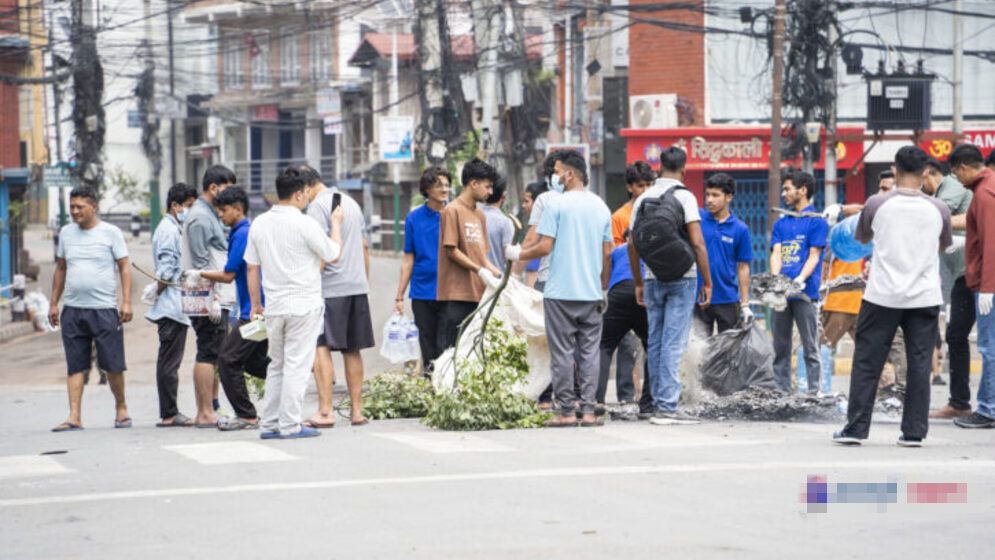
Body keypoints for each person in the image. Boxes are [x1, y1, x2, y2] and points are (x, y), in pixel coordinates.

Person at [833, 146, 952, 447]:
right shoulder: (939, 209)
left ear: (894, 170)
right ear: (926, 173)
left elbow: (861, 239)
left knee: (867, 362)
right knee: (920, 362)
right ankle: (913, 432)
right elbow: (943, 245)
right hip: (924, 296)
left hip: (882, 295)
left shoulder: (876, 203)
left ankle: (856, 429)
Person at [506, 150, 612, 427]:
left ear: (570, 174)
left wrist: (517, 254)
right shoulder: (601, 206)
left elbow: (544, 246)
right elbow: (608, 252)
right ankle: (588, 411)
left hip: (559, 292)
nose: (554, 176)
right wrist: (602, 287)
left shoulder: (557, 205)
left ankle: (565, 411)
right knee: (589, 352)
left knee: (562, 353)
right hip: (590, 293)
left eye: (557, 170)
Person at [245, 166, 343, 439]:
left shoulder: (260, 224)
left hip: (274, 306)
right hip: (304, 305)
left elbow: (251, 267)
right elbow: (333, 253)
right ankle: (289, 425)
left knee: (276, 365)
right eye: (307, 194)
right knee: (297, 366)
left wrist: (255, 304)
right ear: (299, 194)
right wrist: (336, 224)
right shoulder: (305, 223)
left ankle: (270, 424)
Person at [628, 147, 711, 425]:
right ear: (684, 169)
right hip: (682, 277)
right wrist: (706, 281)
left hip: (652, 277)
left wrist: (638, 281)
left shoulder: (643, 198)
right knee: (673, 342)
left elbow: (632, 244)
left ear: (659, 168)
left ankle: (653, 403)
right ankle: (666, 405)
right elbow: (697, 243)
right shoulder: (685, 196)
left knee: (656, 341)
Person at [49, 187, 133, 432]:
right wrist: (54, 302)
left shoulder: (111, 233)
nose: (74, 211)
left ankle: (121, 408)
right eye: (72, 207)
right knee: (75, 364)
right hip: (73, 309)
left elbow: (124, 268)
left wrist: (126, 301)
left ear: (93, 207)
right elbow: (61, 268)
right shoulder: (66, 233)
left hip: (104, 309)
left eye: (79, 207)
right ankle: (74, 415)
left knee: (113, 363)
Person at [188, 187, 270, 431]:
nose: (220, 215)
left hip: (252, 313)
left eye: (223, 210)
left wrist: (199, 273)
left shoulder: (243, 234)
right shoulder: (240, 232)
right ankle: (291, 376)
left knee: (227, 360)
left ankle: (246, 416)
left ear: (238, 209)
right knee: (254, 362)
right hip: (254, 311)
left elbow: (228, 273)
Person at [304, 165, 374, 427]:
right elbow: (364, 246)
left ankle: (325, 411)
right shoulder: (352, 203)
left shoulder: (316, 208)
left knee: (320, 345)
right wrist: (363, 282)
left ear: (307, 187)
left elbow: (320, 251)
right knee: (351, 348)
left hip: (329, 288)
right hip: (356, 285)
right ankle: (357, 411)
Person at [183, 164, 236, 427]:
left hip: (215, 295)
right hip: (206, 295)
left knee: (215, 351)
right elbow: (201, 263)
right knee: (207, 350)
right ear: (213, 188)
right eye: (227, 188)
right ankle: (204, 411)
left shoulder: (210, 214)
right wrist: (212, 298)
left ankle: (212, 406)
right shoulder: (201, 218)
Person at [923, 157, 975, 418]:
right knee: (955, 336)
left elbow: (944, 215)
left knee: (973, 340)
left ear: (928, 174)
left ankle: (964, 402)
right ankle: (959, 403)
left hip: (975, 273)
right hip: (962, 276)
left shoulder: (950, 185)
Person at [769, 170, 828, 395]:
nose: (784, 193)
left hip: (805, 293)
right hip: (782, 295)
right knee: (780, 347)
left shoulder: (817, 222)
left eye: (787, 188)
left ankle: (814, 392)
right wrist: (776, 280)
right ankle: (781, 392)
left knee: (810, 347)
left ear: (802, 190)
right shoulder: (782, 223)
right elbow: (776, 253)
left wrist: (800, 280)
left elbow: (814, 254)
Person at [949, 144, 995, 429]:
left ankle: (988, 408)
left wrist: (988, 287)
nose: (957, 179)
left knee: (989, 347)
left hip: (989, 284)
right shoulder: (986, 189)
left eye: (956, 173)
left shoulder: (985, 193)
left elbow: (992, 244)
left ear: (964, 167)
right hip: (985, 279)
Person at [436, 158, 503, 348]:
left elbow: (483, 257)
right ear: (473, 184)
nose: (490, 192)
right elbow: (451, 250)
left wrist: (499, 275)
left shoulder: (480, 215)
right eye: (487, 186)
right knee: (450, 353)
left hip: (478, 295)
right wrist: (479, 270)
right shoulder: (452, 210)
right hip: (455, 296)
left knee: (471, 354)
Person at [146, 183, 198, 427]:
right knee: (169, 361)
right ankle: (169, 412)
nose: (190, 210)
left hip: (175, 305)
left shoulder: (173, 227)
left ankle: (170, 410)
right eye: (188, 206)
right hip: (170, 307)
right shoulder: (168, 230)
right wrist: (156, 290)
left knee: (170, 360)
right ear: (175, 205)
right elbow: (167, 270)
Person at [396, 167, 451, 373]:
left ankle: (445, 386)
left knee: (445, 343)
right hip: (421, 291)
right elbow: (408, 258)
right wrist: (399, 296)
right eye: (439, 185)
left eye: (447, 185)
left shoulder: (454, 214)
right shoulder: (413, 218)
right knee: (426, 343)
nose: (444, 189)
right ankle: (430, 387)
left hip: (449, 290)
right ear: (427, 189)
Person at [596, 230, 649, 416]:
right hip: (642, 293)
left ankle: (597, 401)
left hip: (618, 293)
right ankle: (648, 404)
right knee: (652, 345)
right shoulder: (649, 247)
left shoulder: (618, 250)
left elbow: (607, 265)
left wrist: (604, 291)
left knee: (604, 346)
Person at [694, 173, 753, 336]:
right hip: (699, 298)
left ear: (729, 197)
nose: (709, 200)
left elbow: (743, 267)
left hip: (727, 299)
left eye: (715, 195)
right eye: (707, 194)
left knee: (727, 353)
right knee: (698, 353)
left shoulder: (740, 229)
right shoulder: (697, 220)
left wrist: (745, 304)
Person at [612, 161, 655, 246]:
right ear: (629, 188)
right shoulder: (618, 218)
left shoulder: (659, 212)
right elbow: (617, 253)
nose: (646, 190)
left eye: (648, 185)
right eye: (640, 186)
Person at [482, 176, 515, 269]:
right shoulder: (505, 222)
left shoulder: (474, 217)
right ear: (503, 196)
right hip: (498, 280)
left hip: (476, 279)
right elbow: (509, 257)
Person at [519, 181, 547, 288]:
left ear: (538, 203)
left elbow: (532, 273)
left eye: (527, 201)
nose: (523, 205)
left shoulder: (537, 234)